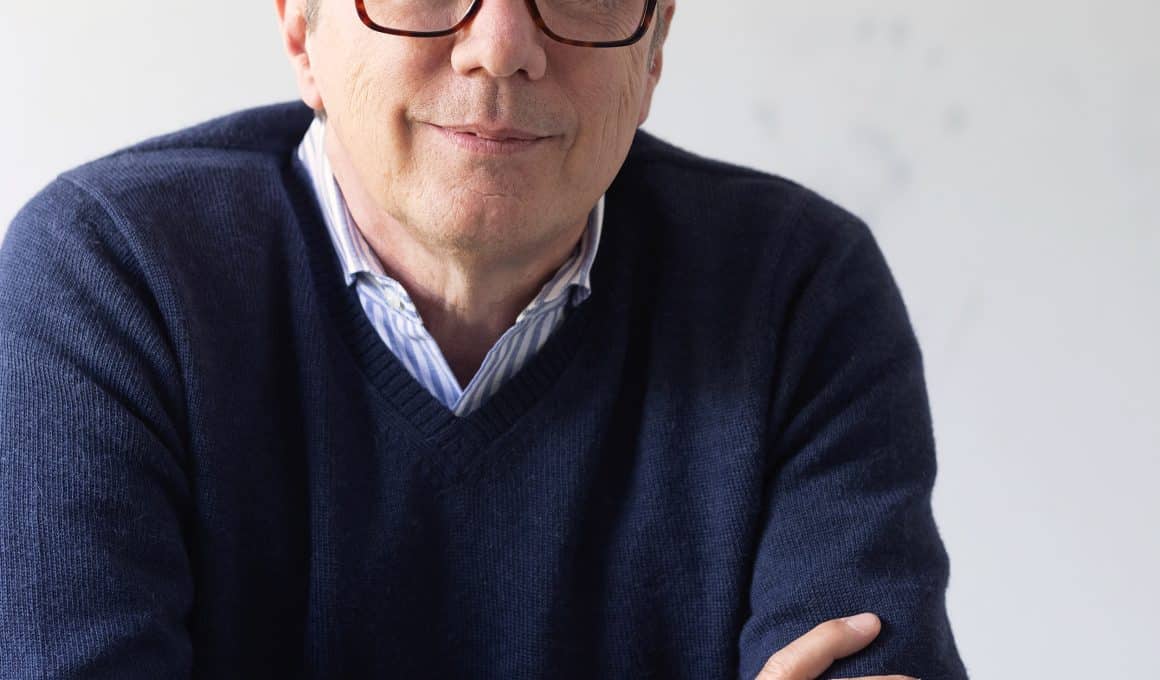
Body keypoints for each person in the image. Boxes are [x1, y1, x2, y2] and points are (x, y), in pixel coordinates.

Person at [0, 0, 969, 677]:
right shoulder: (113, 274)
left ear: (654, 47)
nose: (501, 47)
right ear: (301, 29)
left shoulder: (797, 289)